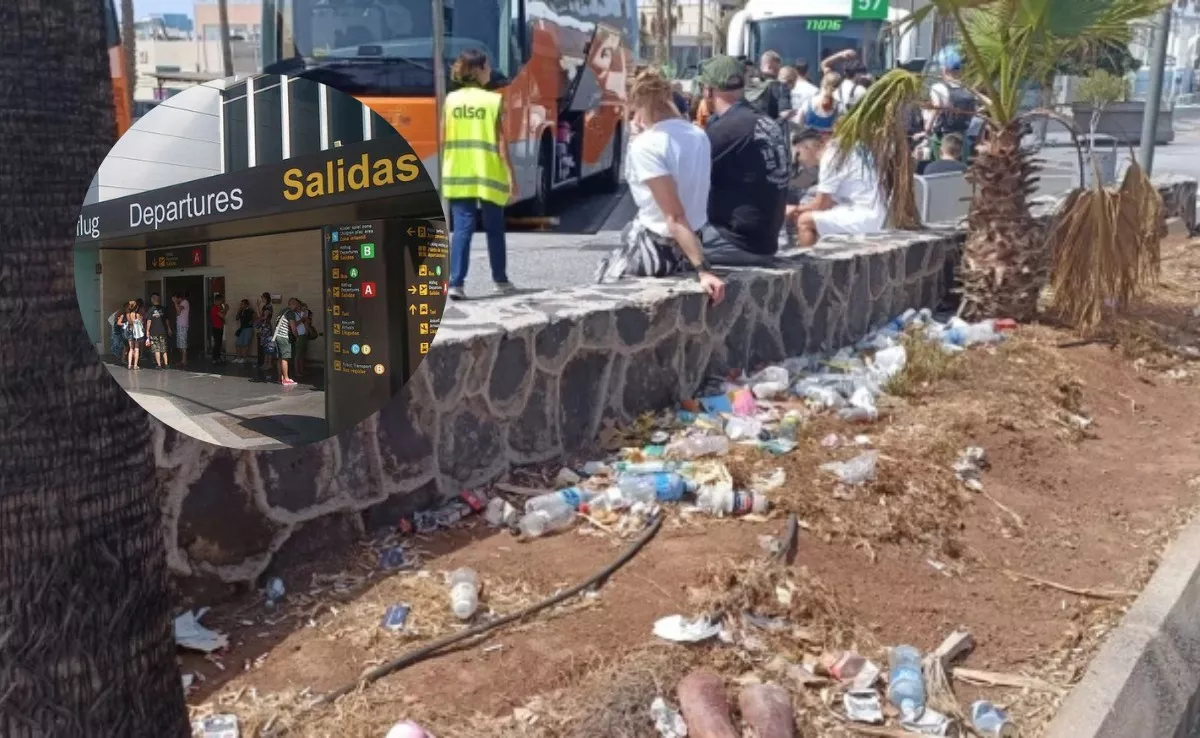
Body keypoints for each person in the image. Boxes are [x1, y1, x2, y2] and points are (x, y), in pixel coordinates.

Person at [595, 70, 725, 303]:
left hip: (658, 248)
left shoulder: (646, 145)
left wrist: (704, 270)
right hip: (693, 241)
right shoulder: (698, 135)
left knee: (601, 284)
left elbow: (674, 217)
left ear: (637, 104)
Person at [697, 55, 790, 264]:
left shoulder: (726, 129)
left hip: (736, 241)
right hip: (766, 240)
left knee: (656, 242)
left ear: (708, 90)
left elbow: (685, 176)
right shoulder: (763, 120)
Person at [442, 49, 516, 301]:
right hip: (488, 174)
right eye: (487, 67)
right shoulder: (492, 101)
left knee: (462, 229)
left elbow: (444, 138)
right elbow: (501, 144)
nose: (490, 71)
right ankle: (501, 280)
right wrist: (511, 178)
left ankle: (456, 283)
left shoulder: (450, 101)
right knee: (495, 228)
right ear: (477, 71)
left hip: (458, 173)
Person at [789, 127, 888, 247]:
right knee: (810, 212)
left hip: (864, 216)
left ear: (806, 147)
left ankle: (807, 263)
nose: (799, 163)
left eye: (797, 156)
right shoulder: (842, 147)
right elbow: (829, 202)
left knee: (804, 221)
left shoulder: (829, 157)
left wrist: (793, 209)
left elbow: (821, 205)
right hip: (872, 211)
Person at [927, 46, 977, 156]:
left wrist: (927, 129)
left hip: (943, 137)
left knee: (941, 169)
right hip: (962, 137)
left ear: (944, 69)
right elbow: (973, 113)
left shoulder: (938, 87)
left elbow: (936, 108)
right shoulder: (968, 89)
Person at [746, 50, 792, 120]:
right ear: (770, 67)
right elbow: (785, 114)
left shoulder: (745, 84)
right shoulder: (780, 87)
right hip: (767, 128)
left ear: (761, 66)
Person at [271, 298, 301, 387]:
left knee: (280, 358)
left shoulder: (283, 311)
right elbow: (293, 327)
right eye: (297, 305)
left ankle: (280, 378)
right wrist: (296, 336)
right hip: (284, 337)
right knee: (285, 358)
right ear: (294, 304)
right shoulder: (291, 313)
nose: (297, 308)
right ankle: (286, 379)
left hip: (278, 336)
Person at [144, 292, 172, 370]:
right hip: (163, 331)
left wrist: (147, 331)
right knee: (164, 348)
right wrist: (169, 328)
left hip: (154, 332)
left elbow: (148, 321)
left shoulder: (150, 309)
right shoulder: (163, 309)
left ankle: (159, 365)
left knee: (157, 349)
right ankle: (166, 364)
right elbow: (167, 320)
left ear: (152, 299)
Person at [255, 292, 276, 381]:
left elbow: (263, 317)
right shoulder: (265, 306)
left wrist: (257, 307)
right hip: (264, 328)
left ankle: (269, 363)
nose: (262, 299)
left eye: (262, 297)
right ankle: (265, 363)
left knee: (268, 345)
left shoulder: (268, 307)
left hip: (266, 328)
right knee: (265, 346)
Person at [233, 298, 255, 363]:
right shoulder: (241, 311)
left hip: (248, 328)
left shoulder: (250, 310)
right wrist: (239, 311)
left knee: (246, 343)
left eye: (242, 304)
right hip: (242, 328)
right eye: (241, 304)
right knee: (237, 343)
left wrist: (251, 321)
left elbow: (254, 316)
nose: (241, 305)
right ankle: (238, 357)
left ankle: (244, 357)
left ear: (246, 304)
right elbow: (236, 318)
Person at [125, 299, 145, 370]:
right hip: (137, 332)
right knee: (136, 349)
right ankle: (135, 365)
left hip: (130, 331)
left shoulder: (128, 314)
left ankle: (129, 365)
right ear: (136, 307)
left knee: (131, 348)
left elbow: (129, 322)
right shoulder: (138, 314)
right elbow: (141, 322)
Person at [208, 293, 227, 365]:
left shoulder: (219, 308)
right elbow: (222, 316)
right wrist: (226, 309)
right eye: (222, 300)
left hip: (220, 327)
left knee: (219, 343)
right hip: (216, 328)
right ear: (218, 300)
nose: (222, 302)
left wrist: (224, 309)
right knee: (217, 343)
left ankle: (218, 357)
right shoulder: (215, 308)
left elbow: (223, 315)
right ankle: (214, 358)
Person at [293, 300, 309, 380]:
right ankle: (296, 371)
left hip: (304, 335)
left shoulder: (302, 314)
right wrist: (302, 320)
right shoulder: (294, 314)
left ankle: (302, 370)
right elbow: (294, 324)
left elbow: (306, 323)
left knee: (302, 353)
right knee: (297, 354)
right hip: (299, 335)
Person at [173, 291, 190, 366]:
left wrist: (175, 302)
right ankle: (183, 359)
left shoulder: (185, 302)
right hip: (180, 325)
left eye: (176, 298)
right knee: (180, 344)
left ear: (179, 298)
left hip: (183, 326)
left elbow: (179, 310)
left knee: (183, 344)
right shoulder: (181, 303)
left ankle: (184, 360)